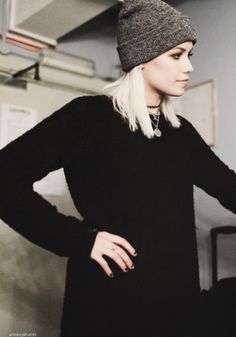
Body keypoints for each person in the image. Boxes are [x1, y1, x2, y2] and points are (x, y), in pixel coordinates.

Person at [0, 1, 235, 337]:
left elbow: (227, 185)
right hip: (107, 306)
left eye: (189, 55)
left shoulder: (180, 132)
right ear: (142, 55)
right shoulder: (86, 118)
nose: (188, 67)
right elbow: (4, 176)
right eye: (176, 54)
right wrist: (79, 239)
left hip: (176, 307)